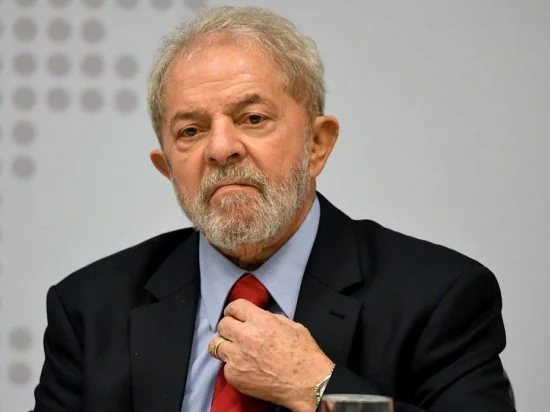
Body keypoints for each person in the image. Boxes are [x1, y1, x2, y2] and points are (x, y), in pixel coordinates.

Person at [33, 6, 516, 412]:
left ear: (317, 144)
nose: (220, 148)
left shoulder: (438, 297)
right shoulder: (91, 309)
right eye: (191, 131)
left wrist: (319, 387)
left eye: (253, 118)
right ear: (167, 169)